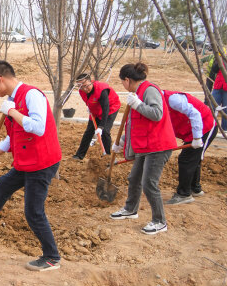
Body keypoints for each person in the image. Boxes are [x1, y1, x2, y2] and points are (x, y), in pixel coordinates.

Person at [0, 61, 62, 271]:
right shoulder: (12, 101)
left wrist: (12, 112)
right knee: (4, 184)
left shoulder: (31, 95)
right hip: (27, 161)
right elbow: (13, 137)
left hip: (41, 162)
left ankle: (52, 257)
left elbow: (38, 127)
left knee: (33, 212)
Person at [110, 63, 176, 235]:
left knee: (149, 184)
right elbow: (134, 124)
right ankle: (130, 209)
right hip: (145, 145)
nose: (123, 85)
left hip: (158, 145)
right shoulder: (137, 93)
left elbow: (157, 114)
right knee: (134, 178)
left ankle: (160, 221)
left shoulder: (149, 90)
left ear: (127, 80)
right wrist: (122, 141)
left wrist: (138, 105)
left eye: (122, 82)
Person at [163, 89, 217, 204]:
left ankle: (184, 194)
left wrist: (197, 138)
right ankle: (195, 188)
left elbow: (195, 114)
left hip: (205, 126)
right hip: (191, 131)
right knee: (193, 158)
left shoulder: (173, 99)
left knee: (186, 159)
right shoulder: (156, 103)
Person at [72, 73, 121, 160]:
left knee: (105, 132)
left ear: (91, 82)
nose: (85, 89)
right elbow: (89, 100)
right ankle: (79, 155)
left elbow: (105, 109)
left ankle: (107, 156)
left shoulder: (101, 90)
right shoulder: (81, 91)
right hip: (95, 111)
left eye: (86, 86)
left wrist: (101, 127)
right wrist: (89, 106)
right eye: (81, 87)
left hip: (110, 108)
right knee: (89, 131)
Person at [211, 55, 226, 130]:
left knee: (226, 110)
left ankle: (225, 129)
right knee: (212, 107)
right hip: (218, 86)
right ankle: (210, 126)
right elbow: (214, 70)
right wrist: (217, 61)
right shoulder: (221, 58)